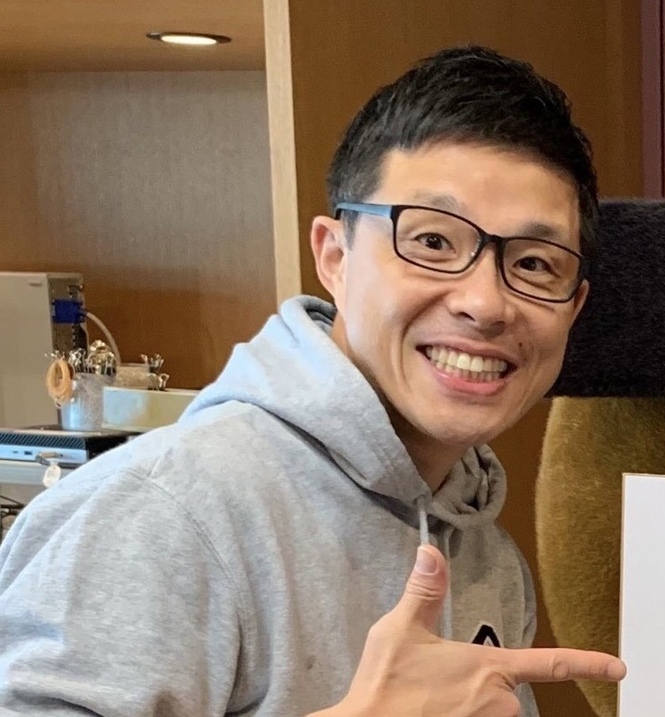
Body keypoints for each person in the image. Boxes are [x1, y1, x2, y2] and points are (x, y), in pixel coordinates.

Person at [0, 46, 626, 716]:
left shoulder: (485, 553)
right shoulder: (162, 510)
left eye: (533, 263)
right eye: (433, 242)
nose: (485, 302)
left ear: (574, 307)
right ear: (335, 256)